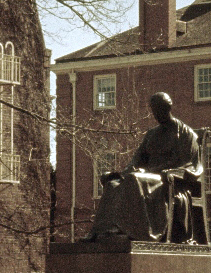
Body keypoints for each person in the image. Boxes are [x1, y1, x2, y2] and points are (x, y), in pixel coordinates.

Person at [84, 92, 202, 242]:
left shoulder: (185, 133)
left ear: (167, 109)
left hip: (167, 178)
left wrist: (153, 171)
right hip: (146, 176)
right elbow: (137, 159)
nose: (155, 115)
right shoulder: (152, 134)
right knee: (112, 184)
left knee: (134, 180)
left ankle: (137, 232)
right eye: (154, 111)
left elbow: (187, 163)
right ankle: (106, 230)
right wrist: (122, 173)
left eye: (158, 111)